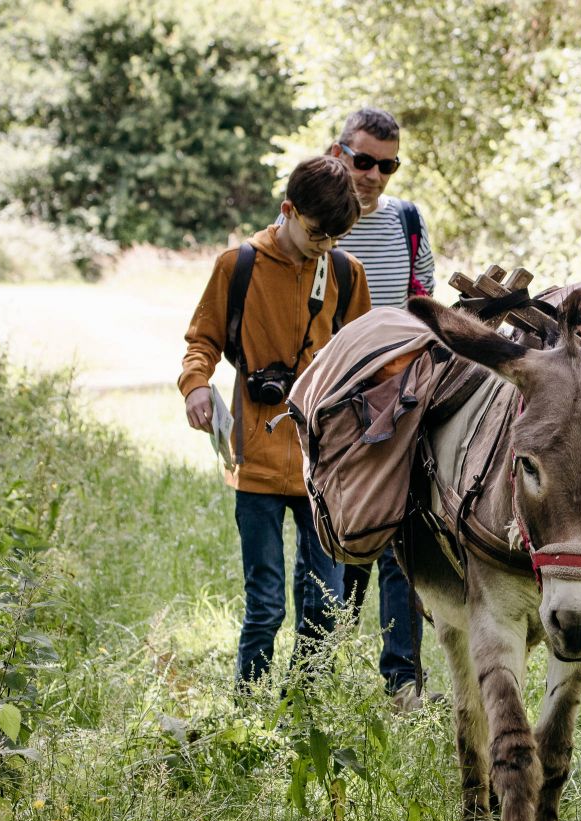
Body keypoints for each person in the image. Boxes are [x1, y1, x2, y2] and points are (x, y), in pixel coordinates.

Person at [180, 155, 372, 688]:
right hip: (256, 462)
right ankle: (251, 712)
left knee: (325, 603)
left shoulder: (345, 273)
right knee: (264, 607)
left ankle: (304, 707)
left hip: (323, 464)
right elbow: (203, 340)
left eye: (336, 236)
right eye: (316, 232)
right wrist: (196, 386)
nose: (325, 244)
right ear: (288, 210)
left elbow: (366, 357)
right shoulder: (236, 266)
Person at [322, 107, 439, 711]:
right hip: (336, 406)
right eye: (363, 160)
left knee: (403, 536)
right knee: (343, 533)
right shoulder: (315, 219)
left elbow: (424, 306)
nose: (373, 175)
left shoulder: (409, 223)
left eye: (386, 165)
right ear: (338, 152)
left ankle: (402, 683)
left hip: (400, 400)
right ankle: (321, 668)